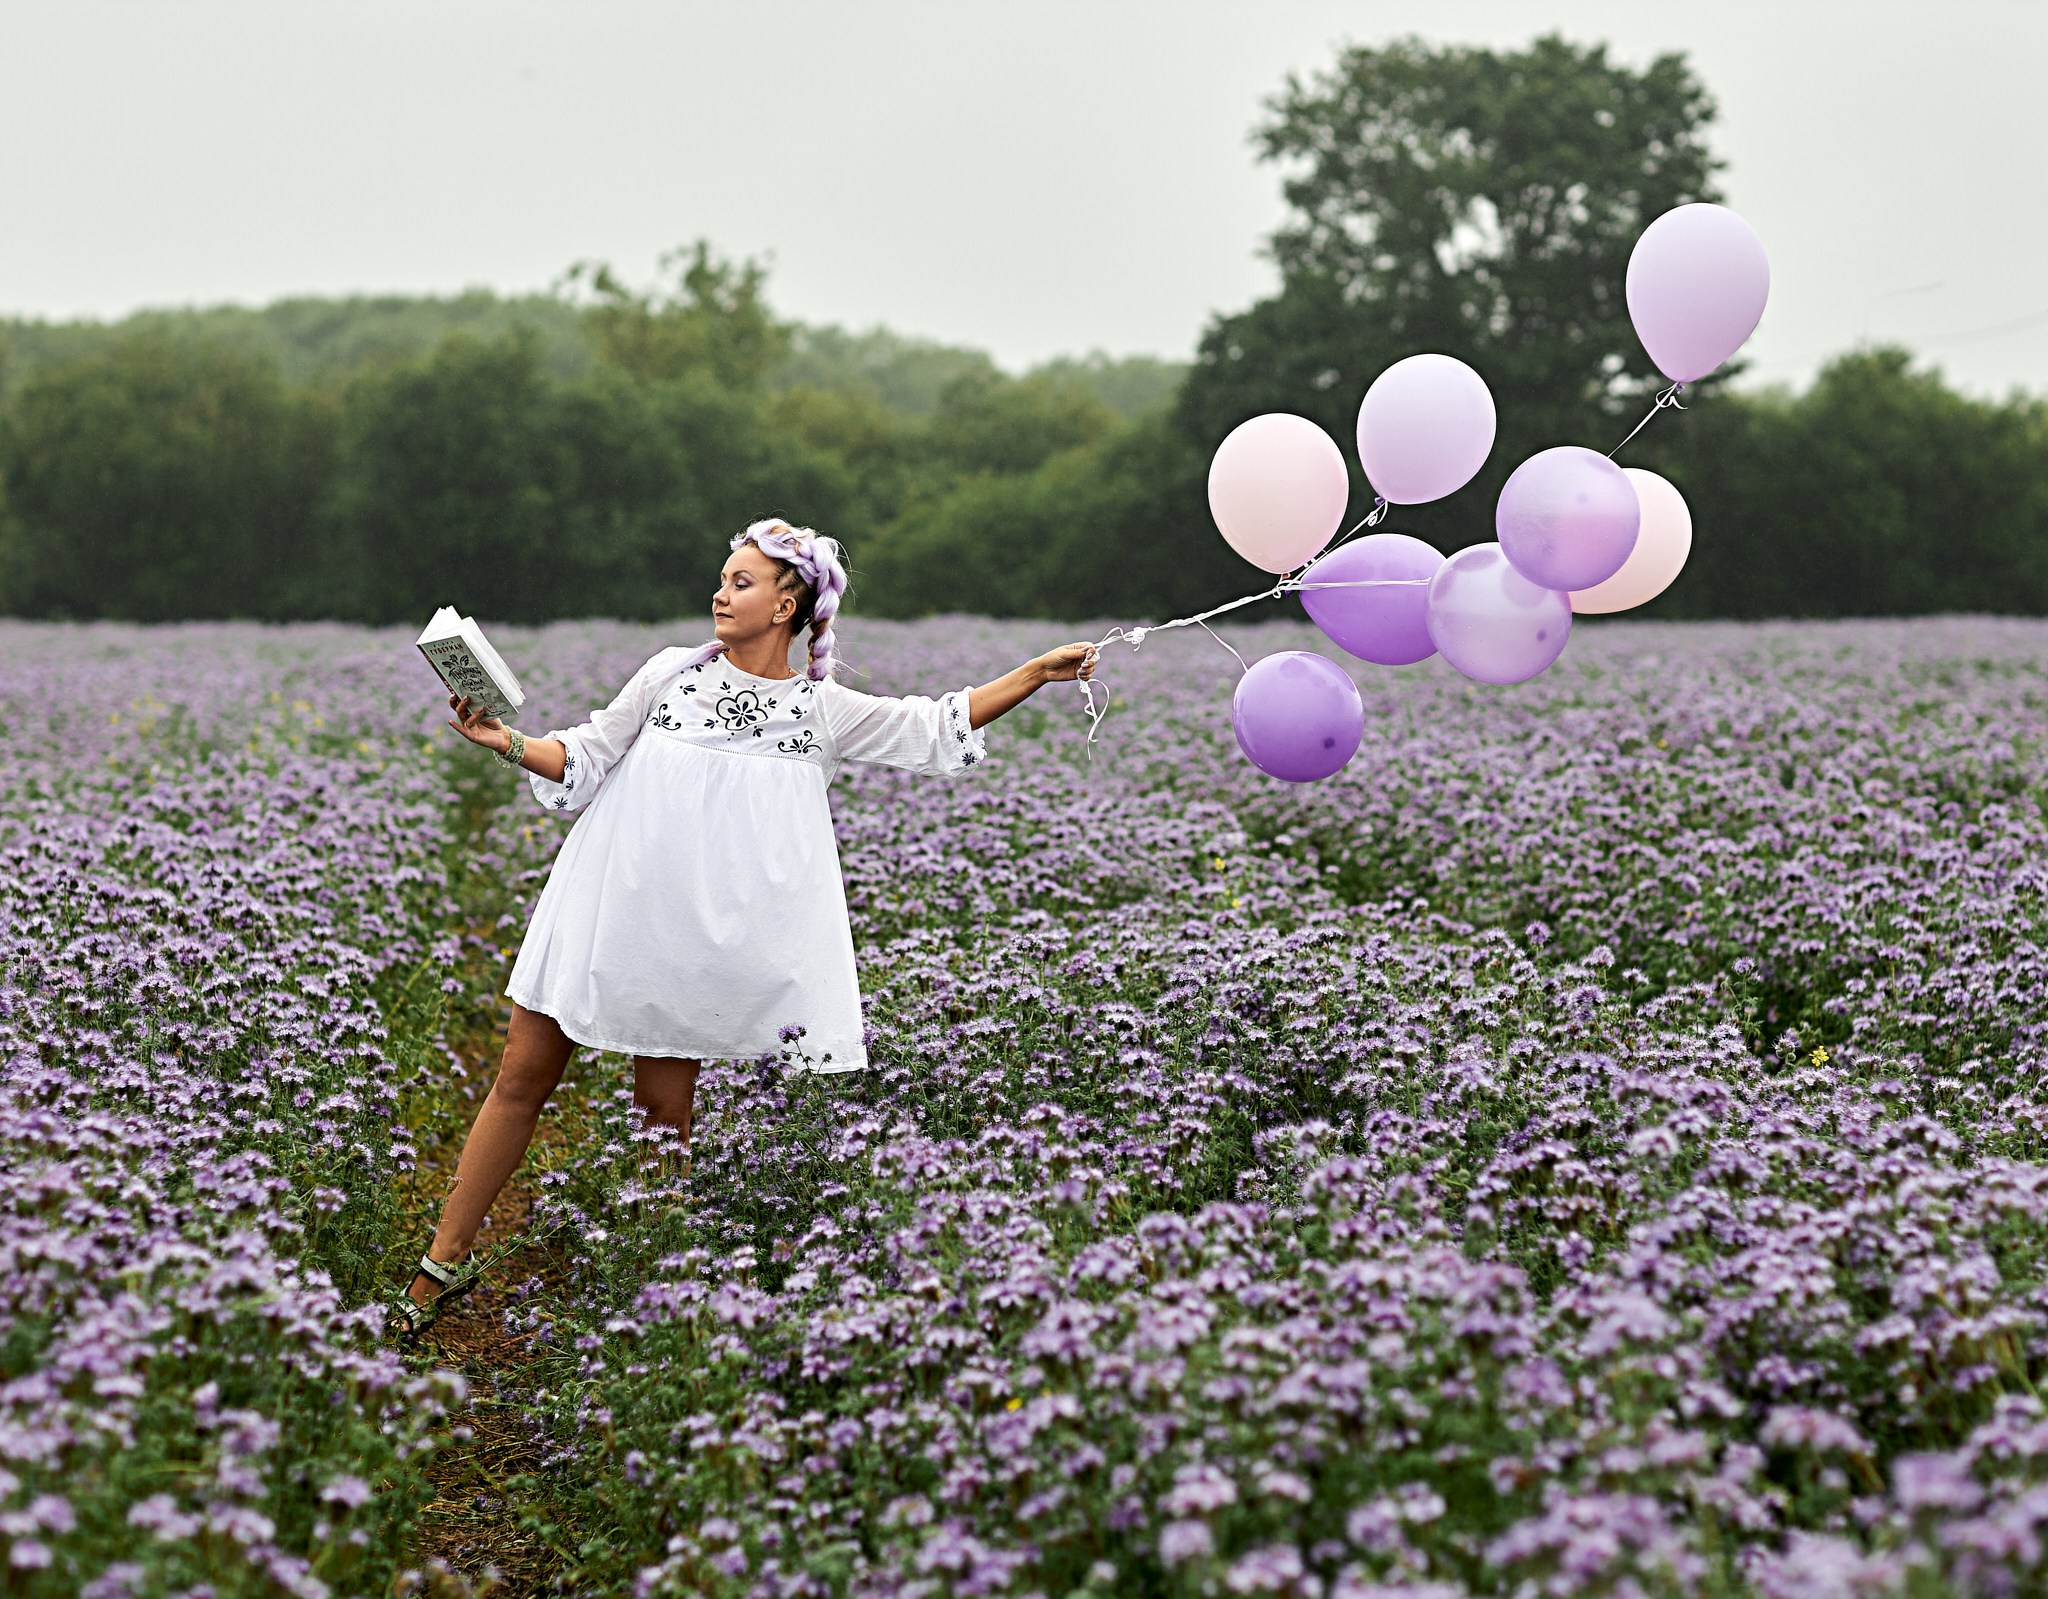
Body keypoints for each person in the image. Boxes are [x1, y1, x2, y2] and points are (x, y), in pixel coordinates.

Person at [396, 517, 1096, 1334]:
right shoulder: (668, 675)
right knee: (522, 1072)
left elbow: (933, 724)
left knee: (665, 1115)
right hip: (608, 900)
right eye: (723, 580)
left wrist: (1037, 672)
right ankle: (439, 1266)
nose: (719, 595)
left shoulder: (820, 709)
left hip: (694, 936)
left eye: (740, 583)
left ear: (786, 603)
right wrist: (505, 740)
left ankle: (656, 1295)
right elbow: (585, 754)